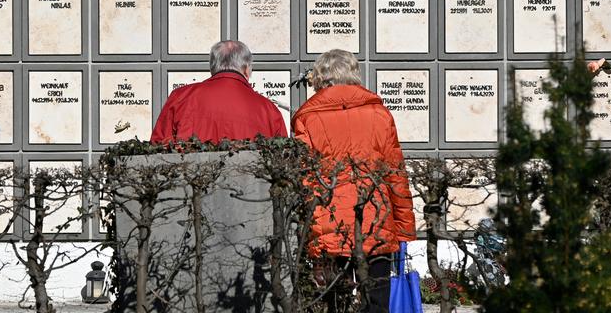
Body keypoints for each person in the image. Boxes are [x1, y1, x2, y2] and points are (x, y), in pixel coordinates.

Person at [291, 49, 416, 311]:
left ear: (320, 78)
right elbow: (395, 172)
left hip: (329, 222)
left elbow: (304, 179)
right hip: (375, 221)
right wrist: (404, 226)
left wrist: (304, 229)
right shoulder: (380, 115)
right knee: (377, 301)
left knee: (336, 301)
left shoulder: (307, 117)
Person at [151, 40, 287, 143]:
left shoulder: (181, 97)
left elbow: (158, 148)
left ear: (212, 67)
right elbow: (282, 161)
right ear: (246, 69)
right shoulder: (268, 109)